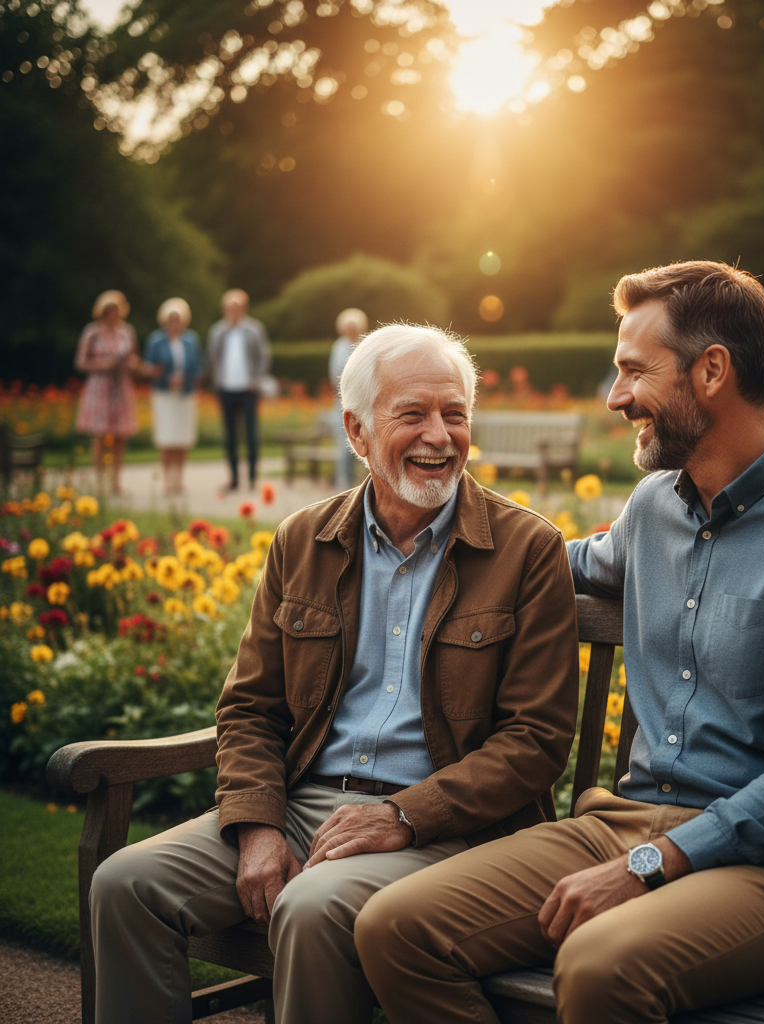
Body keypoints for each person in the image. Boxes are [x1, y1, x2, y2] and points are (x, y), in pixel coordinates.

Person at [354, 261, 764, 1024]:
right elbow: (559, 561)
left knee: (599, 965)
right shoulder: (657, 504)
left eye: (632, 371)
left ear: (712, 370)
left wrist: (651, 864)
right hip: (624, 823)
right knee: (395, 928)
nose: (617, 396)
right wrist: (405, 530)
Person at [89, 323, 580, 1024]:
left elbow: (535, 740)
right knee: (124, 886)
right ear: (356, 430)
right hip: (302, 807)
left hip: (450, 829)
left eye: (455, 414)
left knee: (310, 908)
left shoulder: (527, 549)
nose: (439, 436)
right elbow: (252, 709)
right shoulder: (303, 540)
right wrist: (256, 826)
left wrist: (402, 817)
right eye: (412, 414)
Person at [74, 290, 140, 495]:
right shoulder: (92, 332)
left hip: (121, 386)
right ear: (103, 311)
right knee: (100, 435)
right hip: (100, 387)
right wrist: (103, 363)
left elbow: (134, 358)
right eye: (110, 310)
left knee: (120, 435)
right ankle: (100, 482)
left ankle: (116, 481)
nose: (114, 314)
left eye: (117, 310)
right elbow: (80, 362)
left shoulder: (127, 332)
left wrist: (132, 364)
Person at [206, 288, 271, 491]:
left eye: (237, 307)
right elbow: (211, 358)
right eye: (230, 307)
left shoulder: (254, 329)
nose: (233, 311)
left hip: (248, 389)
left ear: (243, 308)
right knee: (230, 435)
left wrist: (257, 380)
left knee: (251, 434)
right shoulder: (217, 331)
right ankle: (233, 478)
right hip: (226, 389)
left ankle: (252, 477)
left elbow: (264, 356)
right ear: (225, 309)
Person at [141, 298, 203, 496]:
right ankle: (168, 479)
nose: (174, 323)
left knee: (182, 436)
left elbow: (198, 366)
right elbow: (148, 367)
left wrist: (185, 377)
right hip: (164, 394)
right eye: (171, 319)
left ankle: (179, 478)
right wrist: (166, 376)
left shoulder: (191, 340)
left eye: (177, 319)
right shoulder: (155, 340)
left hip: (184, 394)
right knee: (167, 436)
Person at [329, 307, 369, 489]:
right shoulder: (338, 346)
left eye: (354, 327)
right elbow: (334, 373)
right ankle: (343, 481)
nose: (351, 330)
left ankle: (364, 481)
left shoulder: (366, 344)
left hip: (364, 399)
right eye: (348, 327)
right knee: (344, 442)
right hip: (343, 400)